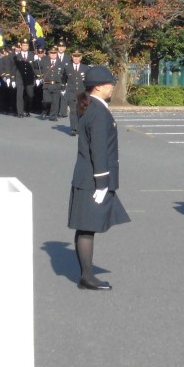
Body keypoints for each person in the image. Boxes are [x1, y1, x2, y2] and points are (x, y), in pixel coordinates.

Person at [67, 65, 130, 290]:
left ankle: (86, 274)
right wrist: (102, 182)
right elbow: (99, 149)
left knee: (86, 227)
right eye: (110, 83)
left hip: (86, 177)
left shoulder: (91, 107)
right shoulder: (98, 112)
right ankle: (86, 276)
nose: (113, 86)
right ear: (99, 86)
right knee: (87, 228)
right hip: (92, 179)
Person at [63, 50, 90, 136]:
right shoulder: (67, 67)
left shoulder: (85, 68)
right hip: (71, 92)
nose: (76, 58)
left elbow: (88, 81)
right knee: (73, 111)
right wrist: (63, 89)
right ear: (72, 57)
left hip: (82, 93)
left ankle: (81, 128)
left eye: (78, 56)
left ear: (81, 58)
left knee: (81, 111)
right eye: (74, 56)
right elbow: (63, 78)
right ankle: (73, 128)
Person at [13, 39, 38, 117]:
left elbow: (36, 68)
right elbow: (14, 68)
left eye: (26, 45)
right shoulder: (17, 56)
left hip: (29, 78)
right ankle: (20, 112)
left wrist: (36, 61)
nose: (25, 47)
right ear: (21, 46)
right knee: (19, 95)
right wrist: (13, 79)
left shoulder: (32, 55)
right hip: (20, 78)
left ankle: (27, 110)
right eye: (23, 45)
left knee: (30, 95)